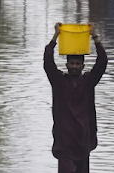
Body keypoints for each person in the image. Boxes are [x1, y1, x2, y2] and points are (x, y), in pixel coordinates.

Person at [43, 22, 108, 173]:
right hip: (64, 140)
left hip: (83, 139)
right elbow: (48, 62)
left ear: (83, 66)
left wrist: (95, 37)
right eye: (71, 63)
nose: (74, 66)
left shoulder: (88, 82)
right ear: (66, 65)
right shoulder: (59, 82)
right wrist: (56, 36)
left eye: (78, 64)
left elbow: (102, 62)